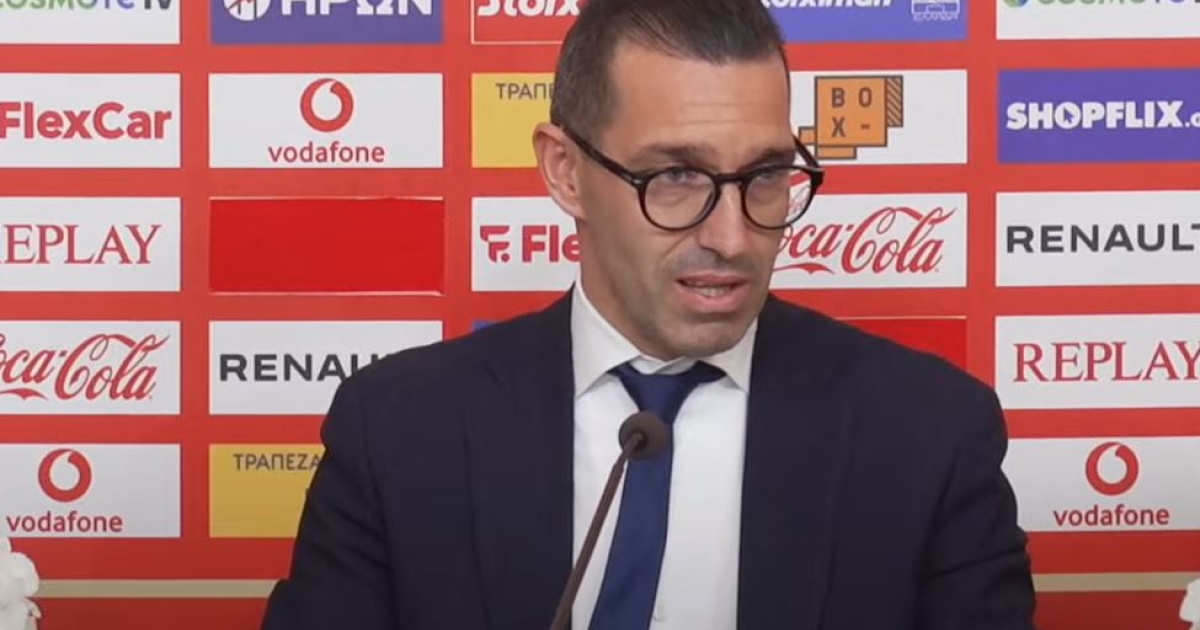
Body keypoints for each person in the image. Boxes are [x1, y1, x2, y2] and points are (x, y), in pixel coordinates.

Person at [258, 0, 1039, 628]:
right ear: (565, 171)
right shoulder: (396, 430)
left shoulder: (930, 434)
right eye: (675, 176)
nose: (732, 237)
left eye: (765, 176)